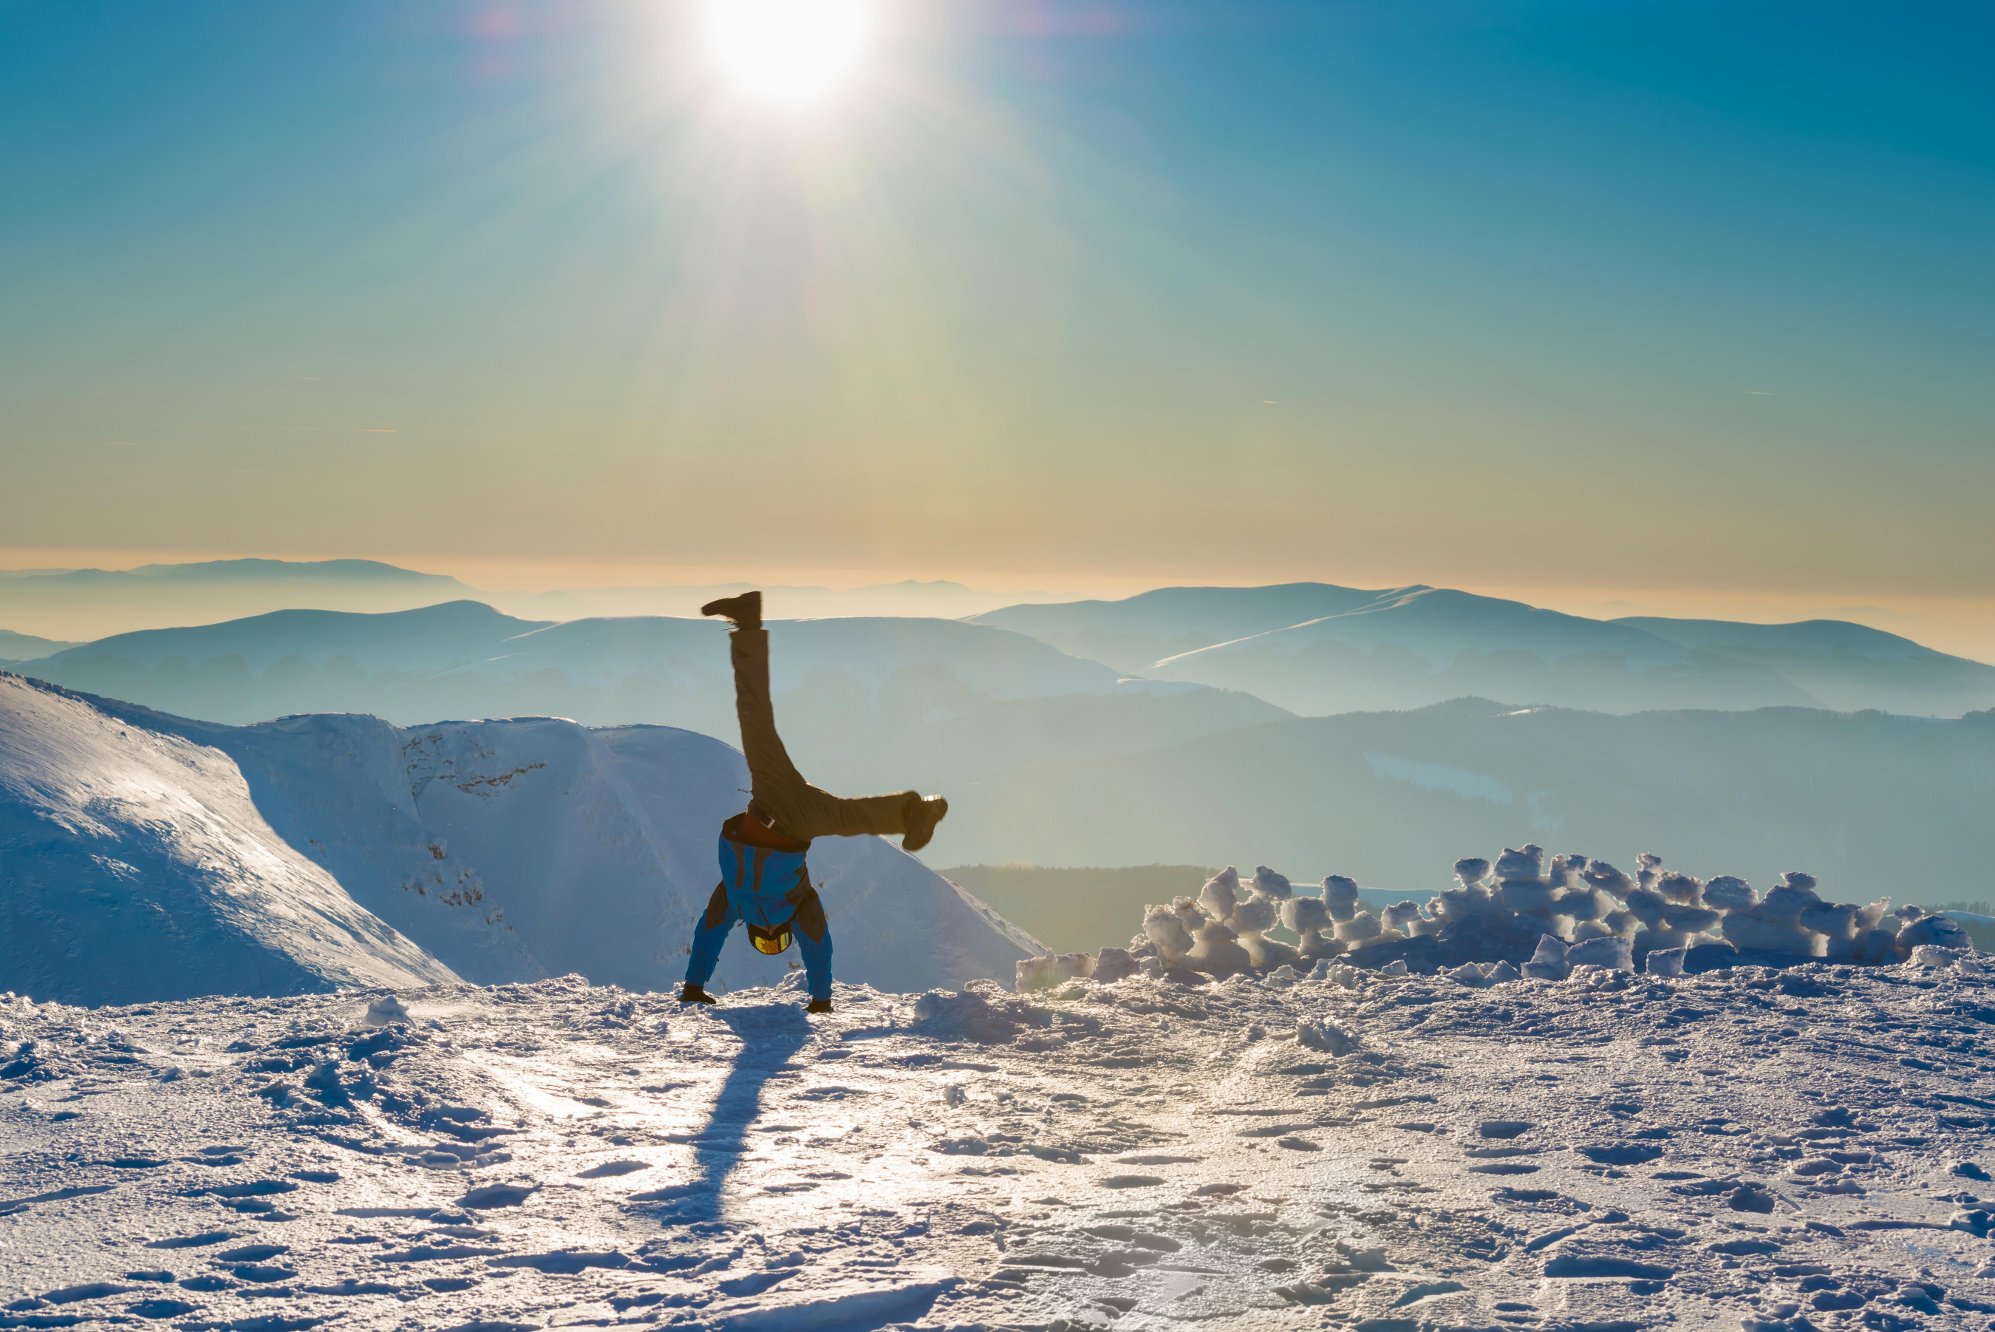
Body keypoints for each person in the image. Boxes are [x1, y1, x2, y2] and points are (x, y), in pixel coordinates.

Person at [680, 590, 948, 1013]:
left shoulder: (733, 900)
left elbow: (708, 934)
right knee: (837, 809)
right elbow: (819, 949)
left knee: (755, 721)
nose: (771, 938)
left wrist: (694, 986)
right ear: (785, 934)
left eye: (766, 941)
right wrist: (820, 998)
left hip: (769, 803)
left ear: (751, 933)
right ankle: (915, 811)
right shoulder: (799, 904)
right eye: (778, 941)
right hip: (792, 821)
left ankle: (747, 625)